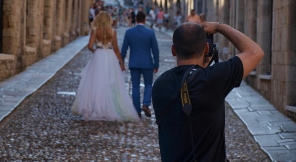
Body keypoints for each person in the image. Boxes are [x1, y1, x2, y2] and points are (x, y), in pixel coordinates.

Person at [152, 22, 264, 161]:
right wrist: (219, 27)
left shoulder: (159, 85)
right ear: (206, 48)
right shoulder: (213, 80)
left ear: (173, 50)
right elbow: (255, 52)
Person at [71, 11, 140, 121]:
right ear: (108, 21)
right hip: (110, 55)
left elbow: (89, 45)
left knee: (95, 81)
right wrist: (121, 62)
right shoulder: (113, 32)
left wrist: (95, 51)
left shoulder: (94, 31)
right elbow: (116, 48)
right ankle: (109, 106)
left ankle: (94, 106)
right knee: (110, 81)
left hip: (98, 55)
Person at [121, 11, 160, 118]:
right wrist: (156, 64)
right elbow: (155, 50)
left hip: (134, 63)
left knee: (135, 86)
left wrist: (121, 62)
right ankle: (146, 104)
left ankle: (137, 110)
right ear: (144, 20)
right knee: (148, 84)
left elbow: (123, 49)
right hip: (147, 63)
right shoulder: (150, 33)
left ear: (136, 19)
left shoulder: (129, 32)